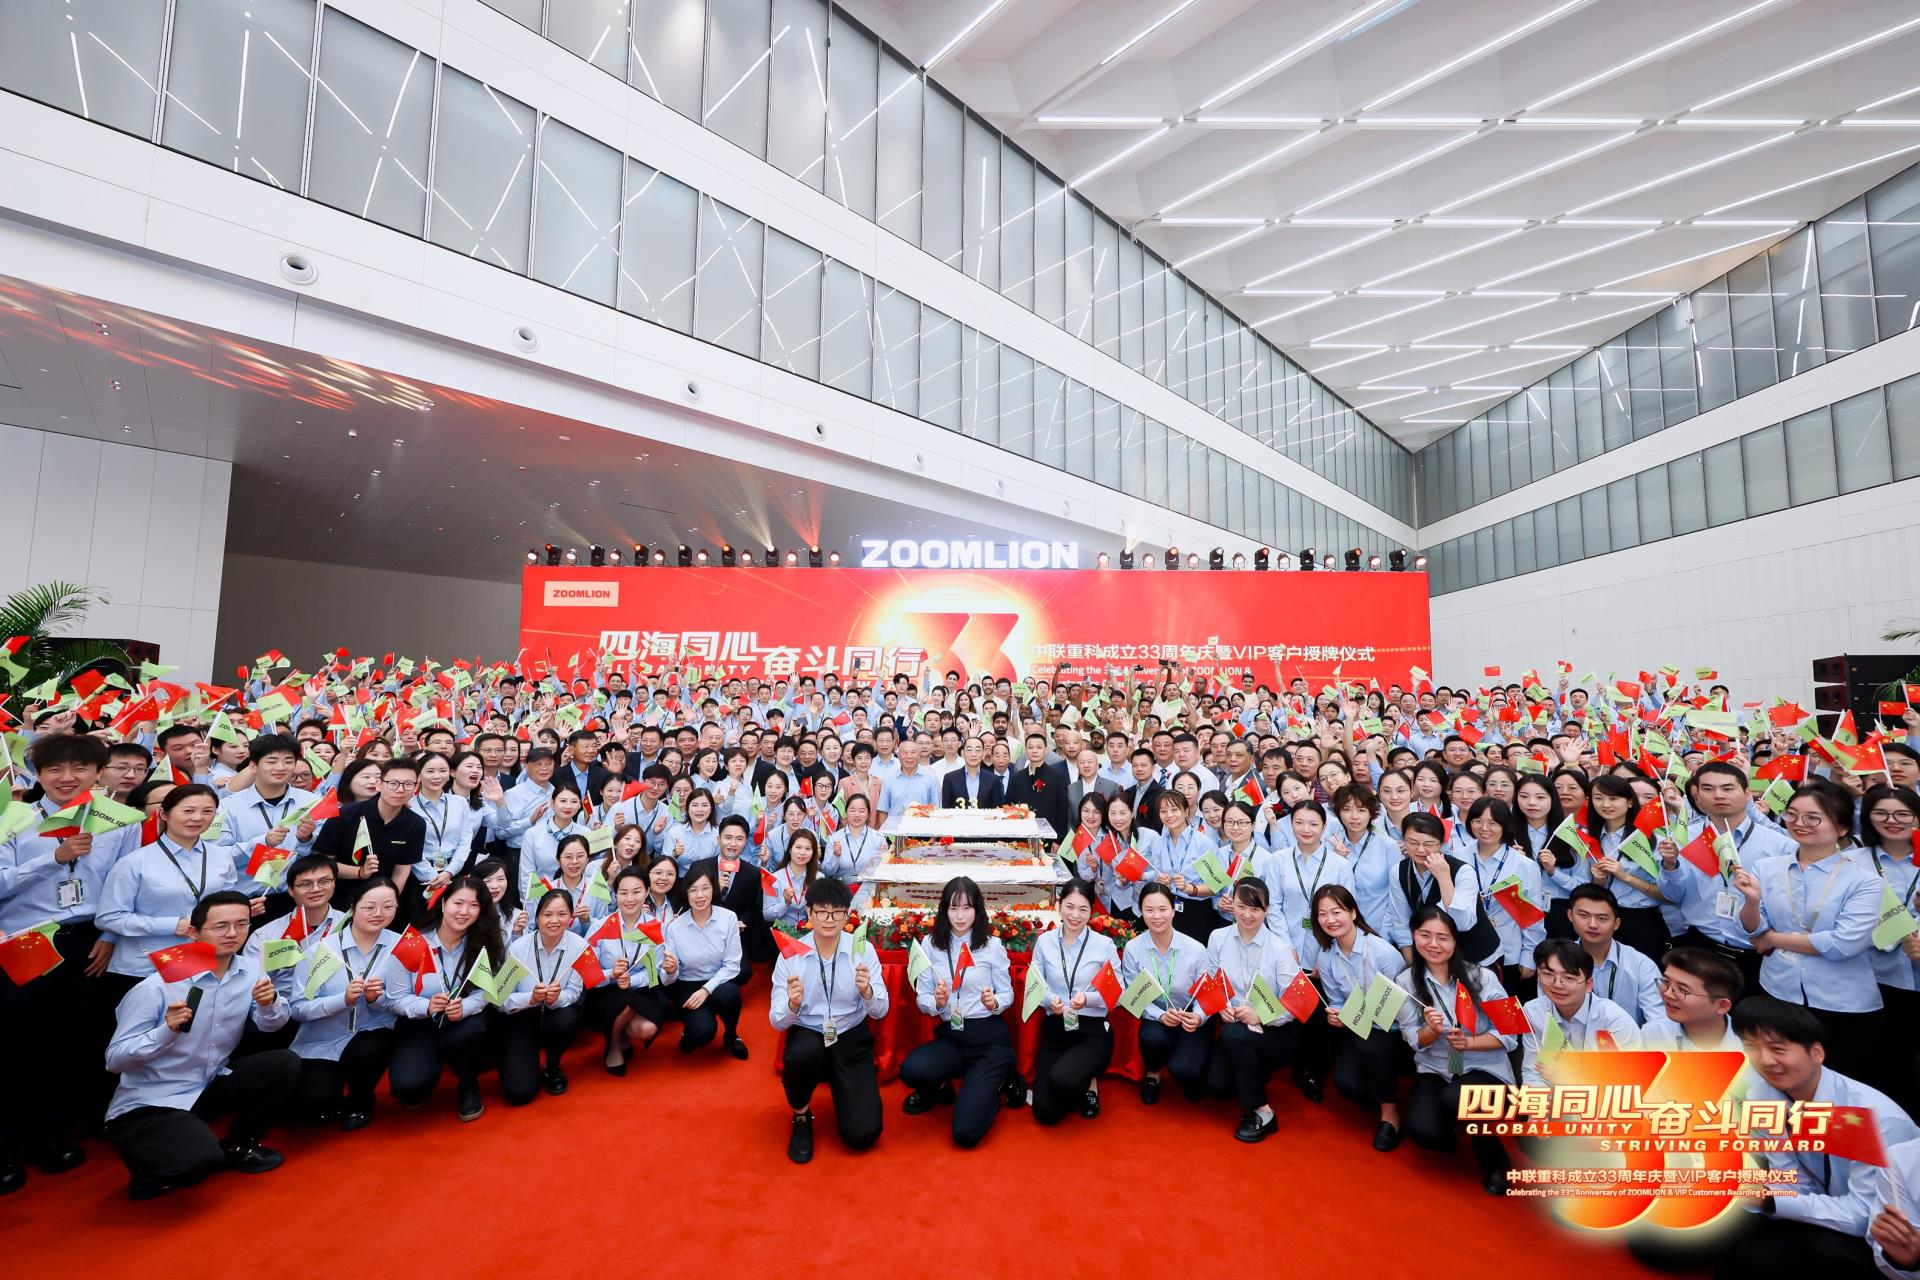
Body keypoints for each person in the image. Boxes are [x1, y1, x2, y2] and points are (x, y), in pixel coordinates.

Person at [0, 733, 142, 1189]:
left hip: (87, 943)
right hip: (24, 941)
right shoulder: (12, 816)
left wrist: (109, 935)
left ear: (98, 773)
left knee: (70, 1045)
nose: (67, 777)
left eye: (79, 768)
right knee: (14, 1049)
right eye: (55, 769)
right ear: (37, 775)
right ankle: (6, 1150)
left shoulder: (119, 820)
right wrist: (53, 858)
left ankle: (54, 1137)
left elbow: (125, 883)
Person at [101, 890, 300, 1199]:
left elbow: (271, 1025)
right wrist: (166, 1031)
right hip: (154, 1099)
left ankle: (239, 1144)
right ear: (193, 932)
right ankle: (144, 1166)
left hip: (207, 1081)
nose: (232, 933)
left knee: (284, 1062)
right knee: (197, 1162)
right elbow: (114, 1060)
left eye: (241, 924)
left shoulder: (250, 970)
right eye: (220, 926)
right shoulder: (157, 987)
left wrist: (270, 1003)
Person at [1716, 995, 1920, 1277]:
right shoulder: (1761, 1095)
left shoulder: (1871, 1117)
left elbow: (1864, 1216)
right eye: (1751, 1047)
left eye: (1778, 1049)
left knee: (1816, 1250)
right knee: (1734, 1228)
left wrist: (1769, 1199)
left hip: (1879, 1241)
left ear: (1816, 1053)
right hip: (1821, 1209)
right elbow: (1791, 1180)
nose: (1765, 1060)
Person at [1734, 785, 1886, 1086]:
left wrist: (1774, 939)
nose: (1799, 823)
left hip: (1840, 1002)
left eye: (1813, 818)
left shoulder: (1865, 881)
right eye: (1792, 814)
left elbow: (1843, 944)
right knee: (1779, 1078)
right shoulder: (1766, 867)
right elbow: (1750, 930)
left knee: (1839, 1084)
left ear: (1842, 827)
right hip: (1778, 988)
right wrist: (1751, 902)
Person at [1394, 905, 1518, 1196]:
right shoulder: (1405, 982)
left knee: (1458, 1098)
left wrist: (1471, 1042)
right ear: (1413, 936)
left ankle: (1495, 1161)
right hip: (1438, 1067)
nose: (1433, 944)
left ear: (1455, 940)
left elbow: (1512, 1033)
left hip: (1483, 1066)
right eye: (1424, 935)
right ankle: (1456, 1122)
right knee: (1425, 1131)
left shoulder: (1484, 977)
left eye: (1442, 937)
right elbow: (1412, 1038)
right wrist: (1431, 1031)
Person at [770, 876, 887, 1164]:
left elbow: (880, 1010)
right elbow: (776, 1020)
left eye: (837, 912)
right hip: (809, 1032)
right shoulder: (791, 955)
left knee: (862, 1135)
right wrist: (792, 1004)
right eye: (822, 912)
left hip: (850, 1034)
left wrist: (868, 992)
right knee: (801, 1054)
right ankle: (801, 1114)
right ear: (809, 913)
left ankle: (844, 1083)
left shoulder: (862, 950)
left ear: (847, 915)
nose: (829, 920)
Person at [900, 875, 1018, 1148]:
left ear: (977, 909)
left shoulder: (991, 946)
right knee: (911, 1070)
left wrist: (994, 1003)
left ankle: (994, 1086)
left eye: (967, 908)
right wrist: (937, 1002)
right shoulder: (931, 944)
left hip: (988, 1039)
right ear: (944, 909)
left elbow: (1007, 994)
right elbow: (922, 999)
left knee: (965, 1134)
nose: (960, 916)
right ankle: (943, 1089)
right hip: (952, 1036)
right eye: (954, 908)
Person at [97, 784, 241, 992]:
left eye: (208, 811)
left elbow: (224, 901)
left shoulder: (221, 856)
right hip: (145, 967)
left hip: (201, 963)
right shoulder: (134, 862)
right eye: (188, 811)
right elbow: (108, 917)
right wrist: (172, 926)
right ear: (164, 814)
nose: (198, 818)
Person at [286, 878, 401, 1130]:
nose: (378, 914)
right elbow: (297, 1008)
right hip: (323, 1040)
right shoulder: (320, 951)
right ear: (353, 907)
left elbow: (405, 999)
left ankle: (362, 1098)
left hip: (372, 1031)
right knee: (313, 1103)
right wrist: (343, 1000)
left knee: (371, 1048)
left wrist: (376, 999)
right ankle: (334, 1094)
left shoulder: (400, 947)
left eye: (388, 907)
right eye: (369, 907)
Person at [387, 875, 503, 1122]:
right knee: (408, 1089)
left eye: (473, 905)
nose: (464, 912)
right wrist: (426, 1006)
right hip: (422, 1023)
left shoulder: (485, 943)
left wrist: (465, 1007)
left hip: (464, 1022)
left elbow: (486, 991)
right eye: (458, 903)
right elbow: (395, 999)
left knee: (473, 1030)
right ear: (443, 904)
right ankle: (436, 1058)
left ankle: (468, 1082)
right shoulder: (413, 943)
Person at [1304, 884, 1408, 1150]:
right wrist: (1338, 1015)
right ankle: (1381, 1089)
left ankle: (1390, 1116)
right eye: (1322, 914)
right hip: (1359, 1028)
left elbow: (1405, 1006)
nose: (1330, 920)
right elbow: (1337, 1001)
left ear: (1352, 912)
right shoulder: (1326, 957)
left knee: (1370, 1045)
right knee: (1346, 1084)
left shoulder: (1383, 952)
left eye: (1336, 912)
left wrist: (1359, 1017)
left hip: (1395, 1031)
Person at [1206, 877, 1305, 1142]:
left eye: (1255, 909)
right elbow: (1212, 981)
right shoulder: (1218, 937)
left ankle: (1263, 1112)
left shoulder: (1280, 949)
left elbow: (1296, 1003)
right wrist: (1221, 1007)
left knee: (1231, 1036)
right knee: (1218, 1086)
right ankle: (1255, 1068)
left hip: (1277, 1031)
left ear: (1267, 910)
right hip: (1237, 1025)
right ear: (1232, 906)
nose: (1247, 915)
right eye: (1241, 907)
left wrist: (1262, 1015)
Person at [1027, 878, 1120, 1124]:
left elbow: (1117, 994)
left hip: (1092, 1030)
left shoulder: (1104, 945)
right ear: (1059, 906)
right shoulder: (1045, 942)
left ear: (1091, 911)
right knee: (1045, 1113)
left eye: (1083, 909)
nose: (1075, 915)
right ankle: (1073, 1078)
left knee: (1063, 1079)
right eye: (1069, 906)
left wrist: (1087, 999)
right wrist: (1050, 1000)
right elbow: (1034, 986)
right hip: (1057, 1028)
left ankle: (1089, 1082)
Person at [1120, 881, 1212, 1104]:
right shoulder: (1133, 948)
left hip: (1190, 1016)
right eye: (1149, 910)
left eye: (1163, 909)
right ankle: (1153, 1072)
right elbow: (1134, 995)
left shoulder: (1196, 949)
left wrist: (1198, 1017)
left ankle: (1193, 1068)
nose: (1156, 916)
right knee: (1152, 1038)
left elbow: (1207, 993)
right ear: (1141, 912)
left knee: (1186, 1071)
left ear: (1173, 910)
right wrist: (1160, 1015)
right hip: (1157, 1014)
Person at [499, 888, 590, 1103]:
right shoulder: (517, 948)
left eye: (562, 914)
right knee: (519, 1093)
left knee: (568, 1018)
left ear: (570, 917)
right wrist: (529, 999)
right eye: (547, 914)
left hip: (555, 1014)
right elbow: (500, 999)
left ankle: (553, 1065)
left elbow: (574, 993)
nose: (554, 921)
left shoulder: (580, 947)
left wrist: (557, 998)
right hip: (522, 1016)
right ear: (537, 917)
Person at [1519, 938, 1643, 1087]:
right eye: (1547, 974)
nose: (1557, 984)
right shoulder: (1534, 1012)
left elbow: (1627, 1083)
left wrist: (1570, 1081)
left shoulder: (1614, 1021)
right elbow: (1533, 1073)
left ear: (1588, 984)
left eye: (1569, 978)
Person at [660, 859, 747, 1058]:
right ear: (686, 893)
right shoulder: (674, 927)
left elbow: (733, 965)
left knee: (729, 995)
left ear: (714, 889)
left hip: (719, 980)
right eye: (693, 890)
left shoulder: (728, 918)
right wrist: (670, 970)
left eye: (705, 888)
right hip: (688, 984)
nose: (700, 895)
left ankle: (731, 1035)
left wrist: (706, 990)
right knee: (703, 1033)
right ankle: (690, 1030)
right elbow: (668, 979)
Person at [315, 757, 425, 910]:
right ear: (379, 784)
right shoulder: (346, 814)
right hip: (340, 898)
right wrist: (359, 872)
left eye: (408, 784)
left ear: (416, 786)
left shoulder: (415, 824)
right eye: (393, 783)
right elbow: (321, 863)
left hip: (382, 900)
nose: (400, 790)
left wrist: (389, 903)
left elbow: (401, 871)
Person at [1563, 883, 1666, 1026]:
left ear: (1616, 923)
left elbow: (1659, 1022)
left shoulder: (1641, 965)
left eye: (1602, 918)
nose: (1592, 924)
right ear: (1570, 915)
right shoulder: (1558, 960)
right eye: (1583, 915)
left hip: (1629, 1038)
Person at [1640, 947, 1744, 1052]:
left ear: (1722, 1005)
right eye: (1666, 982)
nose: (1668, 994)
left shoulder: (1747, 1044)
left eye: (1683, 990)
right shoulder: (1653, 1035)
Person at [763, 827, 823, 929]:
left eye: (808, 849)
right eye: (798, 847)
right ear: (790, 850)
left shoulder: (819, 878)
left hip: (810, 932)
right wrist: (785, 903)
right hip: (782, 934)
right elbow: (767, 916)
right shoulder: (774, 878)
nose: (802, 853)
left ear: (813, 853)